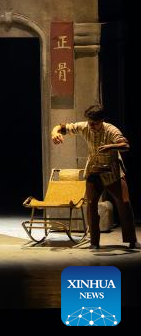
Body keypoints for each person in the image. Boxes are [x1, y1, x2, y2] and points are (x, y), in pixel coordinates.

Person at [51, 104, 138, 250]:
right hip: (94, 171)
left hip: (112, 172)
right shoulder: (85, 126)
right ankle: (94, 242)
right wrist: (55, 133)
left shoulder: (110, 129)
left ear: (101, 121)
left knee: (124, 202)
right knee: (91, 204)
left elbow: (125, 145)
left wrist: (111, 146)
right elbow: (61, 127)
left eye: (94, 123)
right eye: (89, 122)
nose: (91, 126)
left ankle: (132, 240)